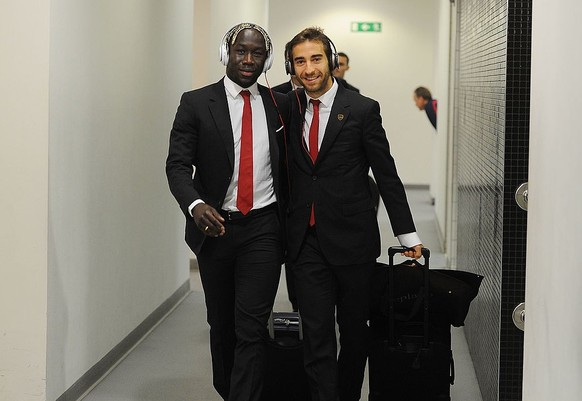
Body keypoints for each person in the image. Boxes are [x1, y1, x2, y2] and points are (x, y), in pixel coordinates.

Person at [284, 27, 423, 401]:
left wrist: (407, 235)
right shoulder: (286, 106)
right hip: (305, 241)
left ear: (330, 60)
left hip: (352, 240)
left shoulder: (361, 109)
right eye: (300, 61)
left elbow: (387, 175)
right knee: (316, 334)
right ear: (290, 66)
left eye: (316, 59)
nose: (309, 68)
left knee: (355, 333)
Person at [165, 22, 289, 401]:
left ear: (266, 59)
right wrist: (195, 204)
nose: (248, 60)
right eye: (241, 52)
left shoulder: (281, 105)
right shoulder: (197, 102)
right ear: (226, 54)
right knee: (222, 325)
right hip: (216, 229)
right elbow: (177, 165)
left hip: (264, 228)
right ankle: (230, 390)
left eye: (256, 53)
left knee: (251, 328)